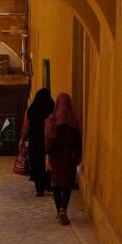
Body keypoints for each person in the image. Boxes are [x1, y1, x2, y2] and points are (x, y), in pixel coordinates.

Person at [45, 93, 82, 225]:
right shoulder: (74, 121)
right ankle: (63, 209)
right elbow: (78, 141)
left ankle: (58, 211)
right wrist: (78, 155)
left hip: (56, 157)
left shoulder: (52, 121)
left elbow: (49, 142)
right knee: (67, 184)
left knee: (56, 184)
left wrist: (48, 158)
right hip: (69, 158)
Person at [22, 88, 55, 197]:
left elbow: (26, 126)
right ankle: (48, 184)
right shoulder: (52, 107)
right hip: (48, 140)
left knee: (37, 163)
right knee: (48, 161)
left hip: (35, 141)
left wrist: (21, 140)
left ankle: (39, 189)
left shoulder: (31, 110)